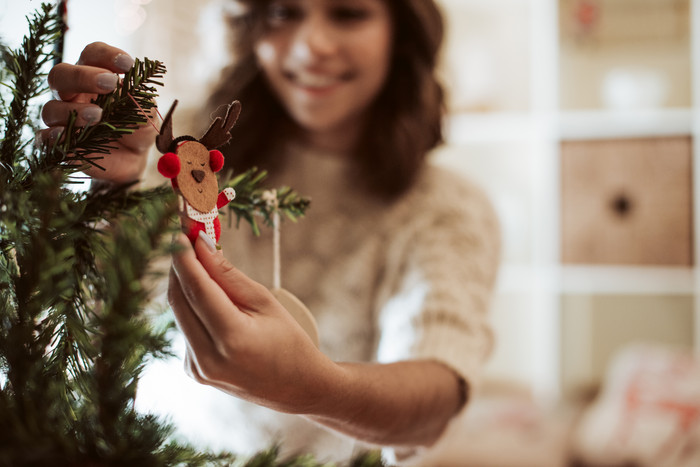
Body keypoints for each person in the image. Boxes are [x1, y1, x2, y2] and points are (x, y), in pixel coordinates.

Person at [41, 0, 501, 463]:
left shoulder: (443, 207)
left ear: (400, 32)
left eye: (348, 13)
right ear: (251, 27)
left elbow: (434, 396)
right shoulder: (189, 157)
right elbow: (82, 323)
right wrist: (109, 189)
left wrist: (314, 389)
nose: (311, 46)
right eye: (284, 12)